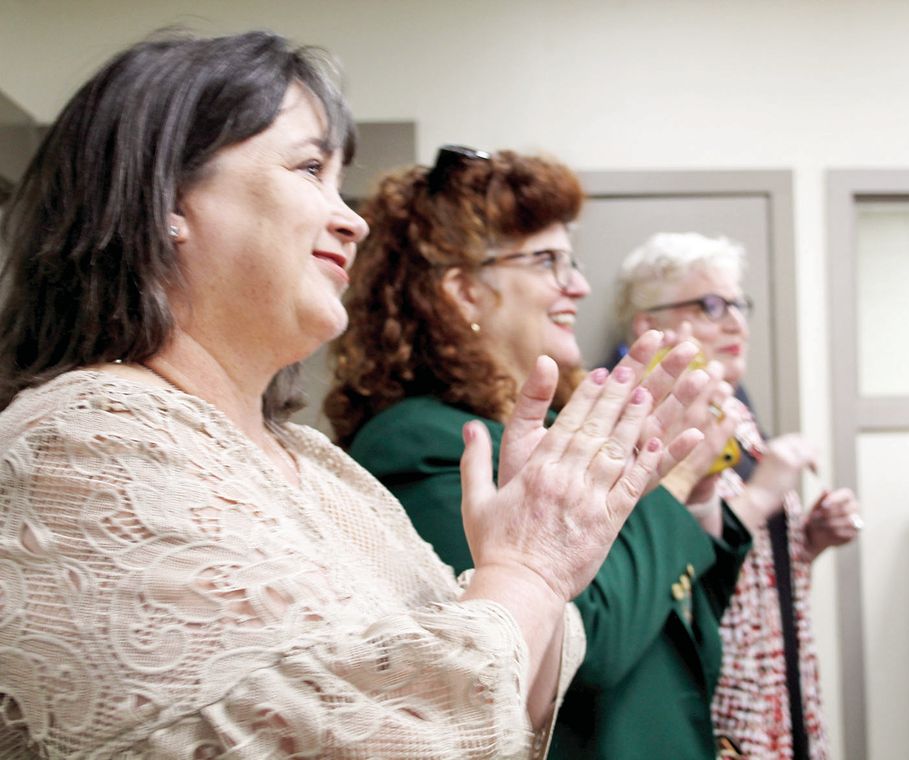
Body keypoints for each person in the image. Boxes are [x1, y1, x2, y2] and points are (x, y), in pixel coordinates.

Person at [0, 32, 701, 759]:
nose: (352, 219)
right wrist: (527, 569)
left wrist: (543, 562)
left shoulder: (320, 466)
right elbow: (381, 736)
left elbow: (503, 706)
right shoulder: (82, 443)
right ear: (170, 198)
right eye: (309, 168)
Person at [324, 147, 774, 759]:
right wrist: (671, 486)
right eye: (547, 261)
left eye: (573, 260)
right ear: (465, 292)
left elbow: (677, 621)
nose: (579, 285)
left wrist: (693, 504)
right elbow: (593, 646)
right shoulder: (430, 443)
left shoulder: (562, 426)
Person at [616, 231, 862, 759]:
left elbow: (743, 557)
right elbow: (663, 566)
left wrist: (810, 538)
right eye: (710, 305)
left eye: (737, 304)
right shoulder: (634, 421)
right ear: (647, 325)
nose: (735, 323)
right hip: (715, 683)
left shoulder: (735, 409)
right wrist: (766, 488)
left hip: (776, 675)